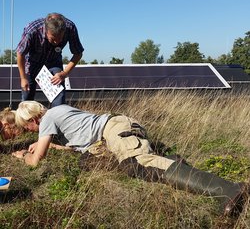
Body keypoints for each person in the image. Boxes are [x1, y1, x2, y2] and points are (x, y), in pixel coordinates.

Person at [12, 101, 249, 217]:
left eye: (28, 128)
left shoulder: (49, 117)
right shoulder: (56, 116)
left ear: (33, 119)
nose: (32, 131)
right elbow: (78, 146)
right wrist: (53, 145)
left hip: (114, 129)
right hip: (105, 139)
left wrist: (24, 156)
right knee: (88, 162)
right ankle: (171, 162)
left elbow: (35, 162)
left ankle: (227, 189)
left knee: (137, 165)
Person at [16, 13, 84, 107]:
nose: (56, 42)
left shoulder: (70, 28)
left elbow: (78, 53)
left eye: (60, 39)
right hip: (32, 62)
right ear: (46, 31)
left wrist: (64, 73)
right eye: (53, 39)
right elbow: (20, 53)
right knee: (27, 97)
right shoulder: (32, 30)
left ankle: (57, 117)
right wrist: (23, 78)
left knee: (58, 93)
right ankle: (26, 119)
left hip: (54, 61)